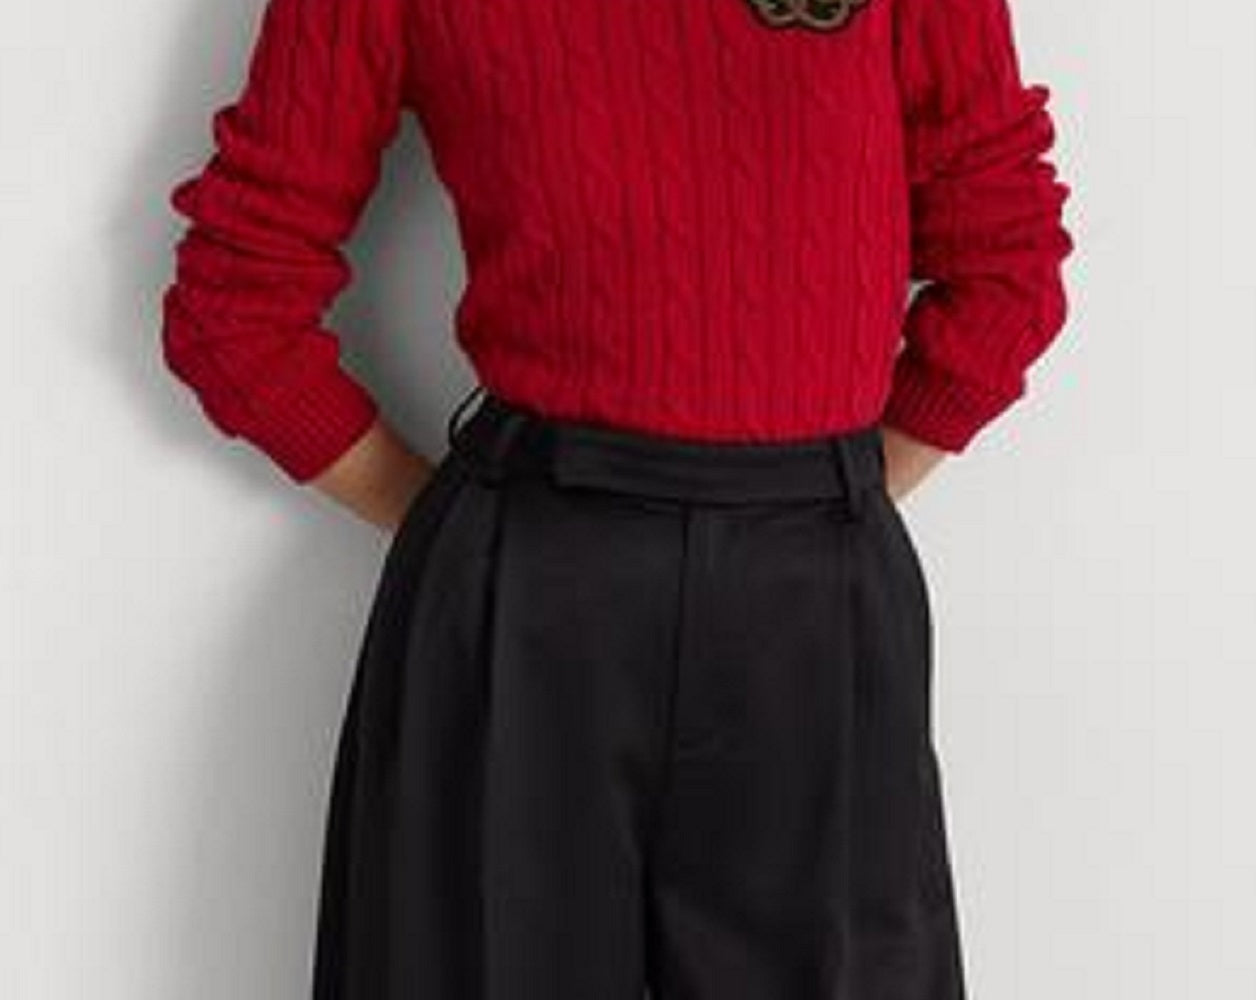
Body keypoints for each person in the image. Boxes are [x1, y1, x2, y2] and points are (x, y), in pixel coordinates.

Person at [158, 0, 1073, 996]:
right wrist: (470, 532)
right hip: (537, 587)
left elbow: (1005, 266)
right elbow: (232, 304)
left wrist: (821, 498)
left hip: (810, 584)